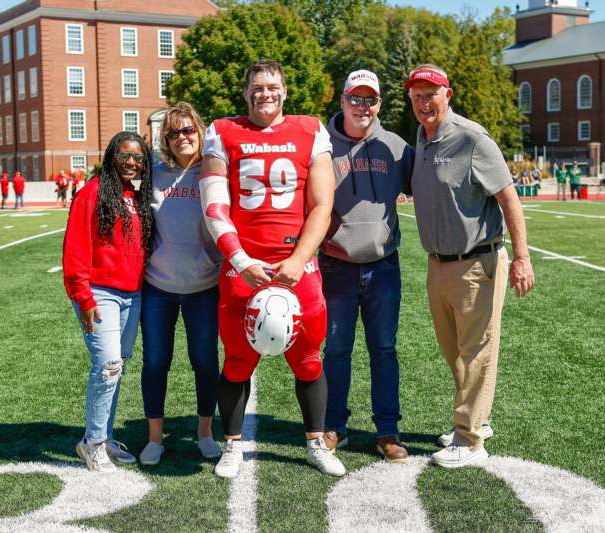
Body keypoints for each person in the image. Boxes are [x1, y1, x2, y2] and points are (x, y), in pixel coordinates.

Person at [200, 59, 345, 478]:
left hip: (297, 268)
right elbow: (213, 205)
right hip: (243, 269)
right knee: (237, 361)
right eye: (257, 87)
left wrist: (299, 259)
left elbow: (322, 204)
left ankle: (316, 442)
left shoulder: (310, 129)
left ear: (284, 90)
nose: (266, 93)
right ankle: (232, 445)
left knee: (309, 360)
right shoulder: (223, 131)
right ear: (246, 93)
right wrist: (240, 260)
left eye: (273, 86)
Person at [406, 64, 535, 468]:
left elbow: (509, 199)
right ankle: (479, 419)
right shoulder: (423, 137)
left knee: (476, 352)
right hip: (438, 264)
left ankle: (470, 439)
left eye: (432, 94)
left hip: (477, 262)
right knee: (455, 354)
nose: (424, 102)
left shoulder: (473, 139)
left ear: (449, 94)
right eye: (417, 95)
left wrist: (522, 258)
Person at [319, 69, 414, 463]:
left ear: (379, 104)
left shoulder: (395, 147)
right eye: (355, 99)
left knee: (384, 349)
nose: (363, 107)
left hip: (383, 266)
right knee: (336, 349)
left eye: (370, 100)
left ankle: (387, 431)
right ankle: (332, 425)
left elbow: (427, 185)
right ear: (341, 101)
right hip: (335, 266)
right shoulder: (320, 146)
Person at [62, 131, 154, 472]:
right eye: (124, 155)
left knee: (117, 367)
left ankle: (103, 435)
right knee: (108, 366)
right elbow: (75, 248)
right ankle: (93, 443)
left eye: (138, 157)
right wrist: (83, 296)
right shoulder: (92, 192)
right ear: (111, 155)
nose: (131, 162)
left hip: (133, 294)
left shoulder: (135, 194)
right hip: (100, 293)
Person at [138, 102, 223, 465]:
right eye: (174, 133)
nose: (182, 138)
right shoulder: (153, 173)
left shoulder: (214, 171)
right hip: (157, 286)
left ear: (200, 131)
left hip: (204, 286)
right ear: (165, 140)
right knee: (156, 362)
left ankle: (204, 432)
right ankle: (155, 438)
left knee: (204, 362)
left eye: (188, 130)